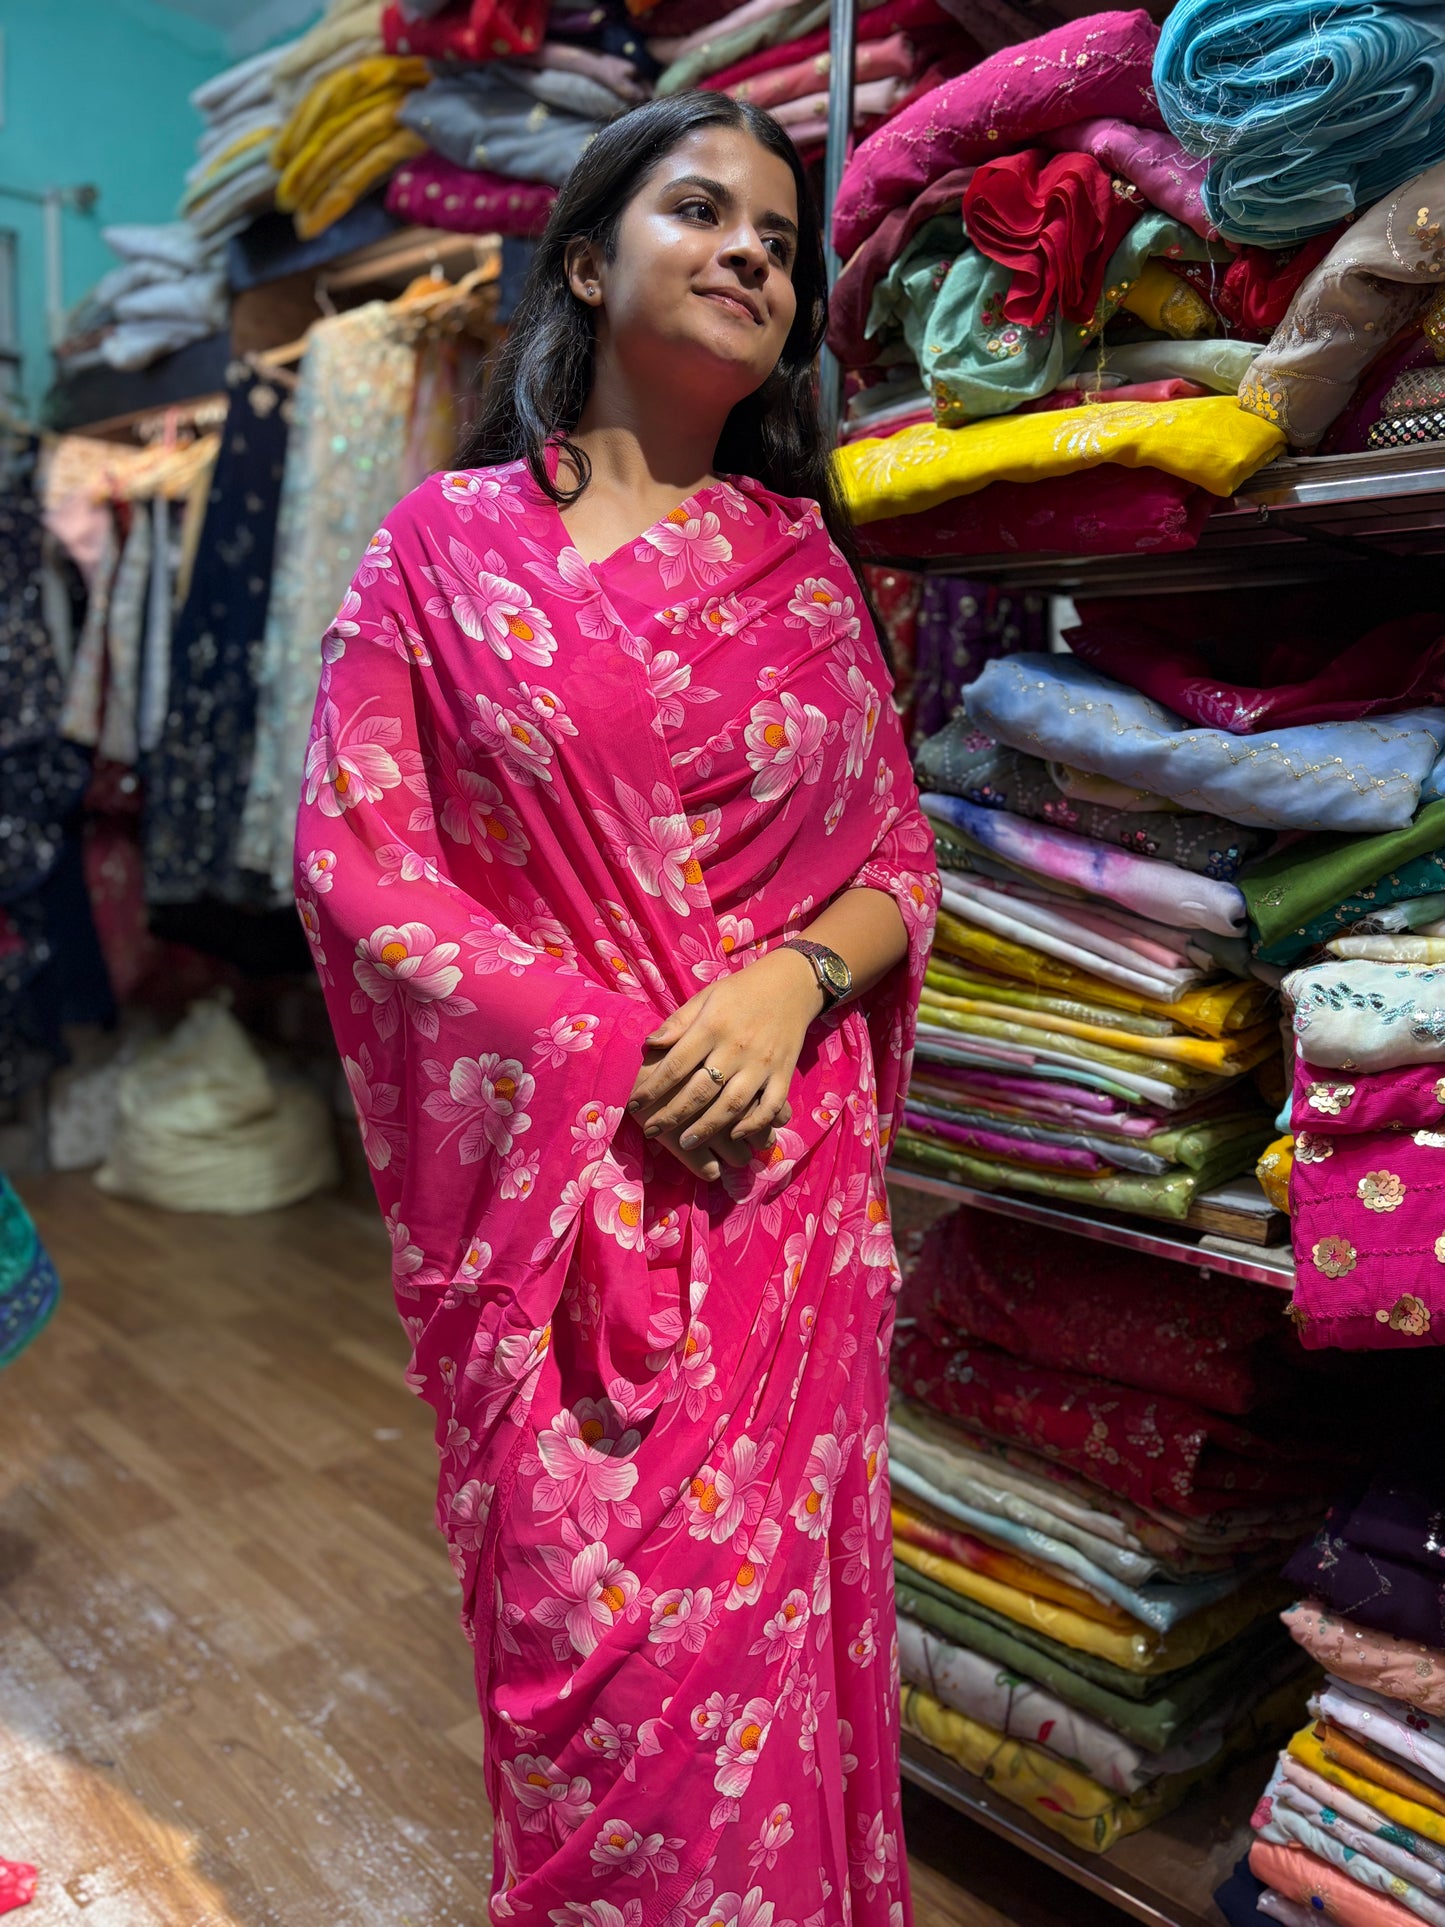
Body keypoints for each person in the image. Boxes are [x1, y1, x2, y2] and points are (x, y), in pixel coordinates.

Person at [294, 88, 939, 1927]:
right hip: (565, 1216)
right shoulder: (440, 548)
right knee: (595, 1683)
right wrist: (616, 1045)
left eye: (782, 237)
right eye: (702, 210)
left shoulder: (804, 571)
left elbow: (895, 864)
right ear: (587, 256)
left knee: (756, 1685)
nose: (753, 249)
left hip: (779, 1211)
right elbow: (355, 863)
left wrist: (780, 986)